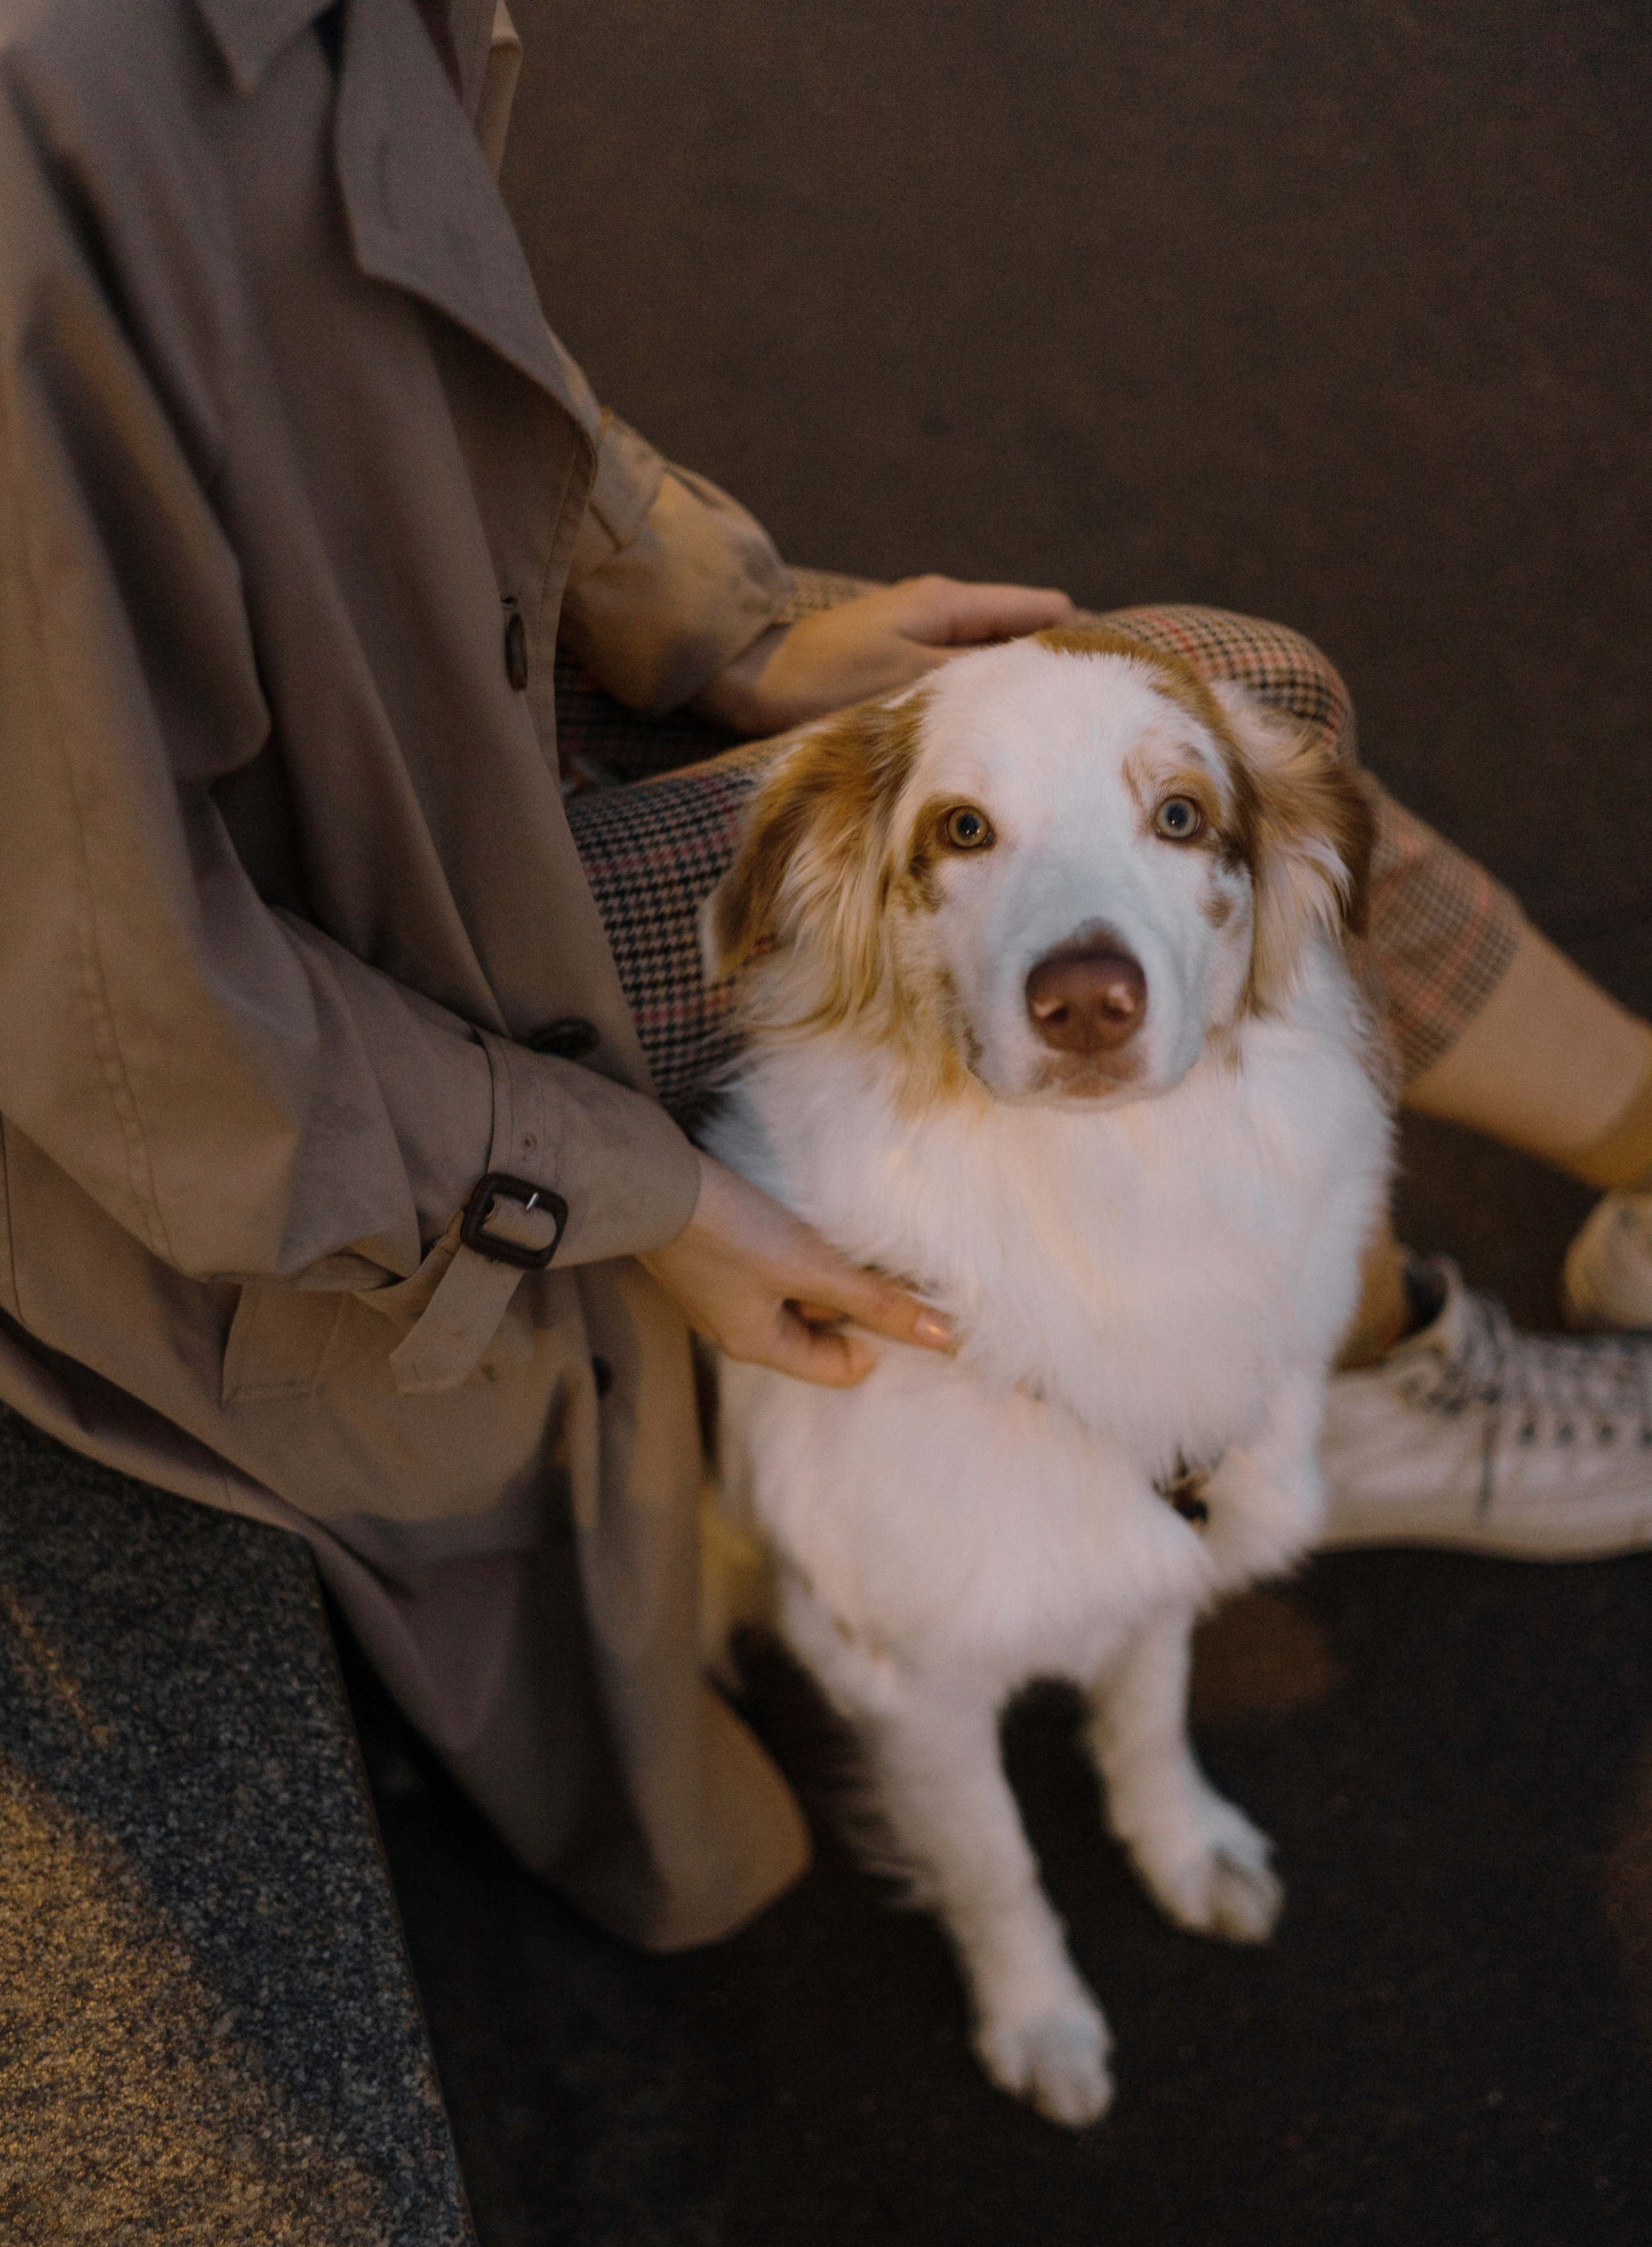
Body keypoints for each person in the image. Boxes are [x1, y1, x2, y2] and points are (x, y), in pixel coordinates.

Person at [1, 0, 1647, 1953]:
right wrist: (638, 1192)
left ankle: (1307, 1320)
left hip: (432, 731)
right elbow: (123, 1015)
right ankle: (1328, 1370)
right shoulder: (50, 95)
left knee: (1235, 744)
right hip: (284, 1006)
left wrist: (716, 618)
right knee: (1250, 710)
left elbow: (409, 343)